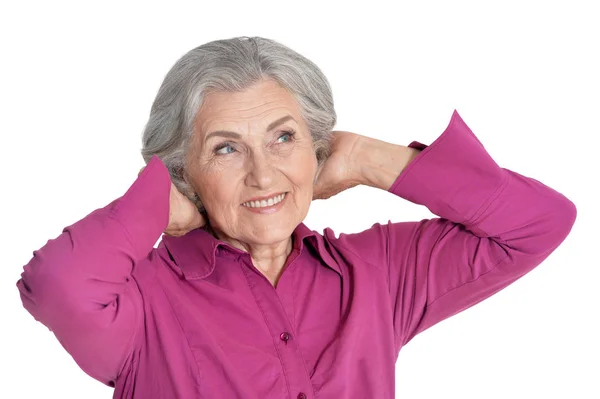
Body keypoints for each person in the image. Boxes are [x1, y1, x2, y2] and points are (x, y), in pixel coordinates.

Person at [16, 36, 577, 399]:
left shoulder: (376, 272)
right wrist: (157, 196)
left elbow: (536, 223)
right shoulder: (140, 304)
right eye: (225, 149)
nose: (263, 176)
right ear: (186, 171)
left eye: (284, 138)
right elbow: (57, 286)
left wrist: (365, 158)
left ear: (317, 148)